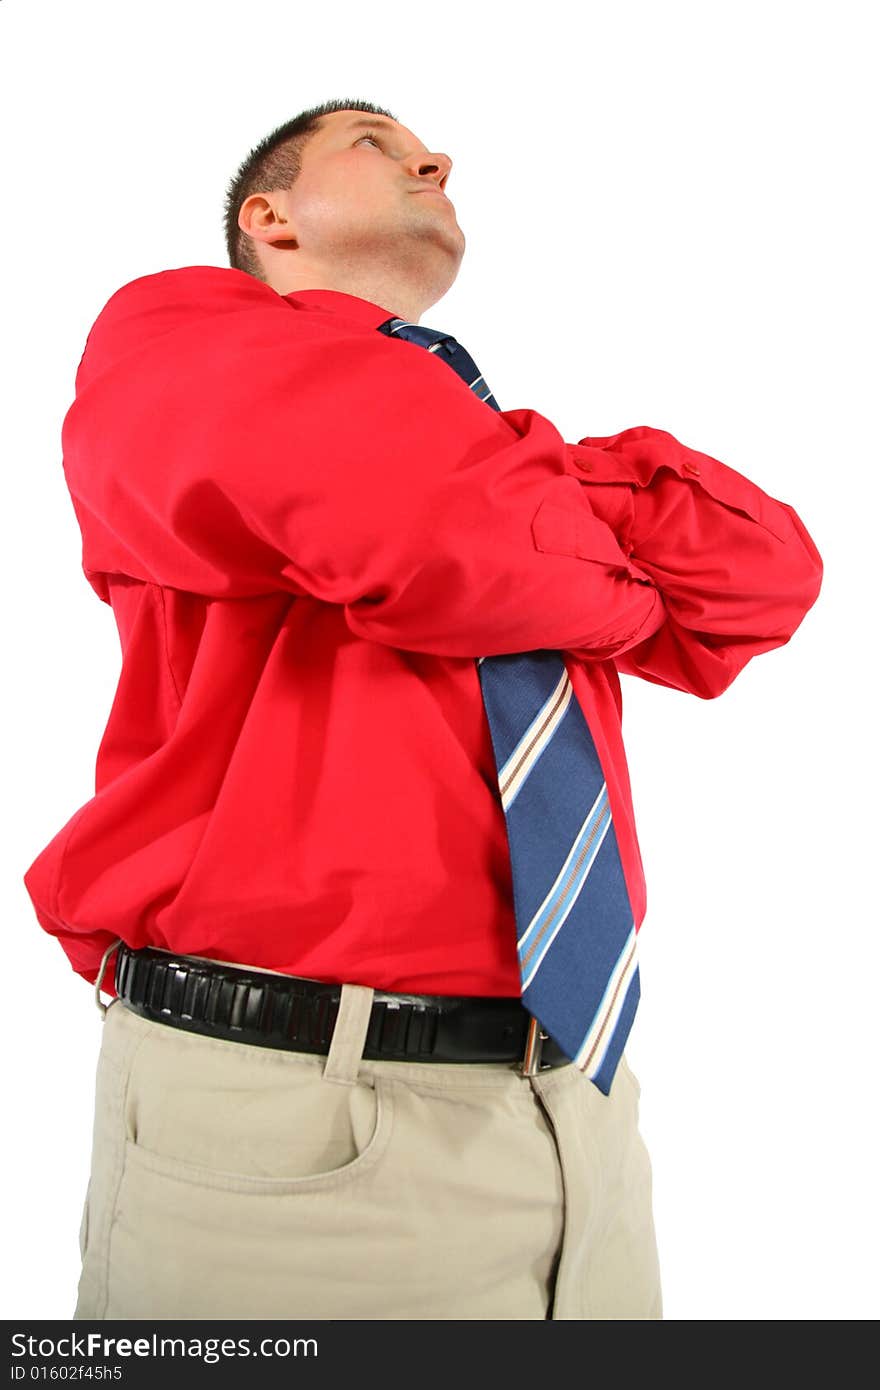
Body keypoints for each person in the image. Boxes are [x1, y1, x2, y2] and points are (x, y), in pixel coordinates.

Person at [22, 96, 823, 1321]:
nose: (432, 160)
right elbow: (440, 548)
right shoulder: (174, 344)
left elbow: (763, 575)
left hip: (573, 1109)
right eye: (374, 145)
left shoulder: (463, 441)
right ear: (269, 216)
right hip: (293, 1116)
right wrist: (604, 580)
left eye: (426, 150)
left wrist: (523, 483)